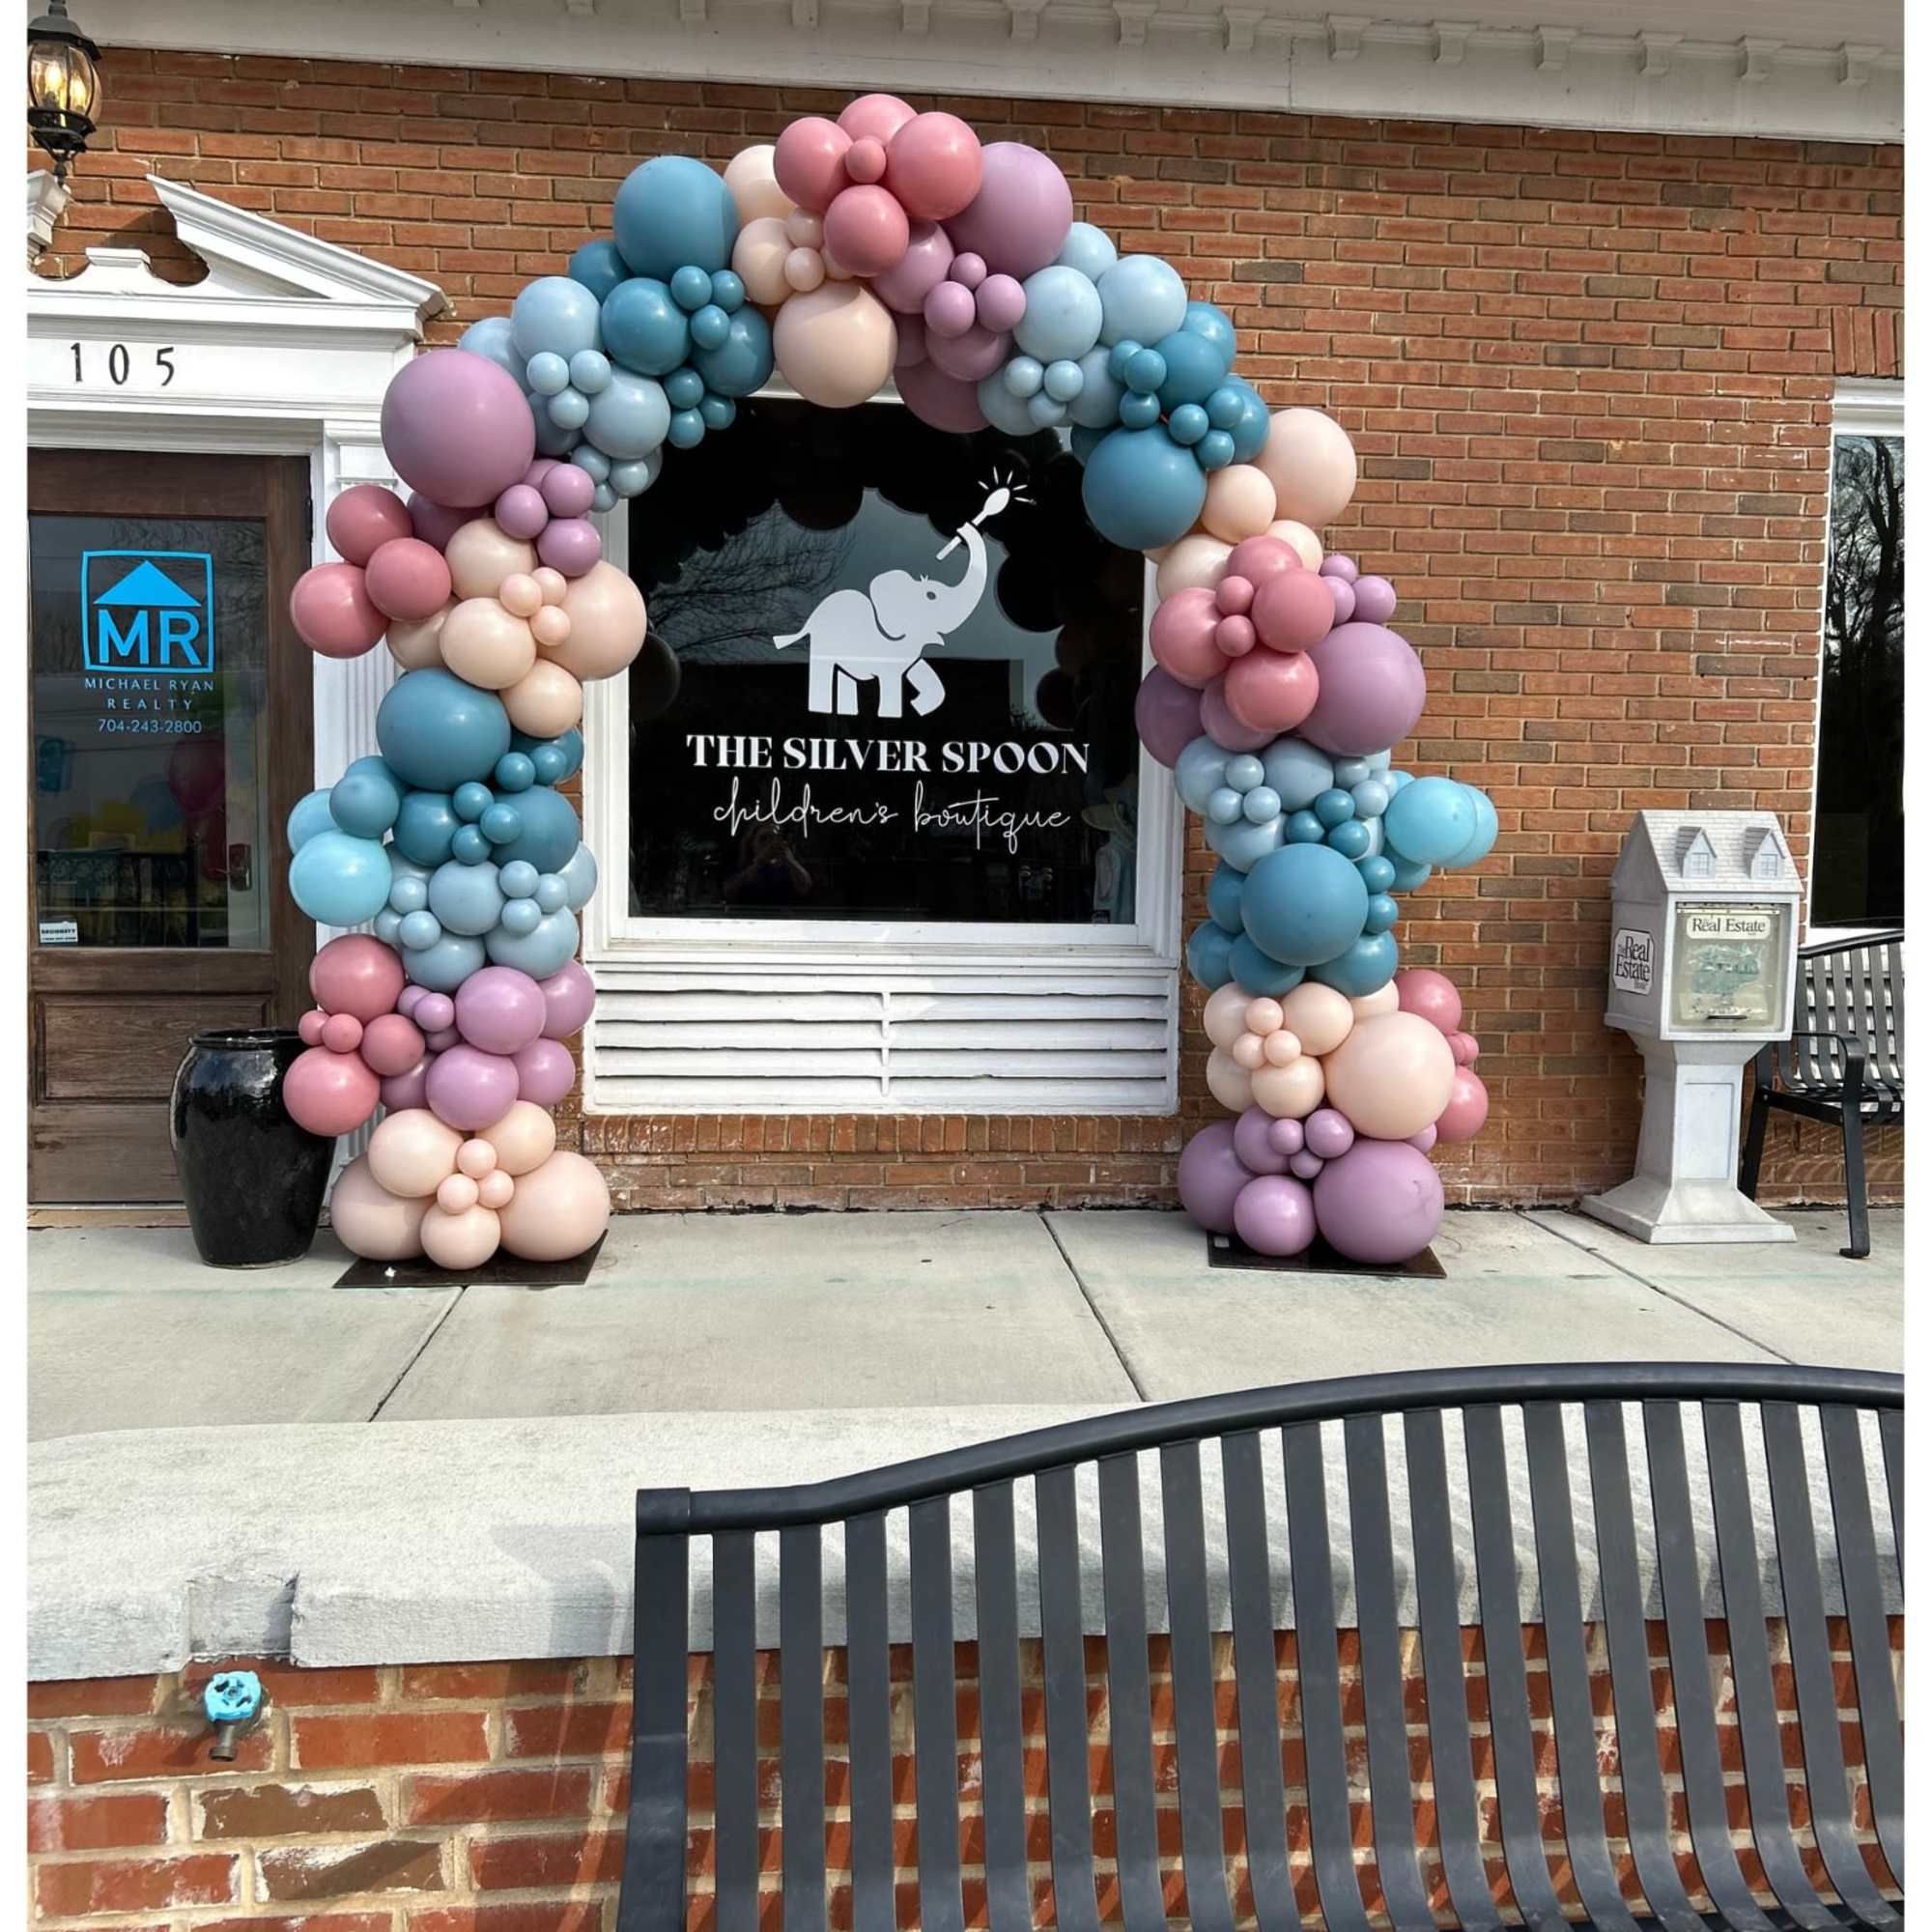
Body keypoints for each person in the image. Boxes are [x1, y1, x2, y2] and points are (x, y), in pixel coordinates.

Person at [723, 827, 813, 907]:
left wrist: (790, 860)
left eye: (775, 838)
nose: (770, 843)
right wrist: (757, 865)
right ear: (752, 843)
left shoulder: (788, 866)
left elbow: (805, 889)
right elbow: (728, 893)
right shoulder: (742, 865)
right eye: (764, 839)